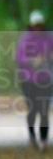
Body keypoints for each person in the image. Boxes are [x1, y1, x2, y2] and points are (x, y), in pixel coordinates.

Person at [16, 10, 53, 151]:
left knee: (44, 110)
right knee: (33, 109)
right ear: (31, 26)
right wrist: (32, 61)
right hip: (29, 80)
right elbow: (19, 58)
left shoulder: (49, 38)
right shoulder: (25, 39)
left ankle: (43, 139)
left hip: (46, 79)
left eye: (40, 25)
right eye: (35, 25)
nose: (38, 28)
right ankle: (32, 136)